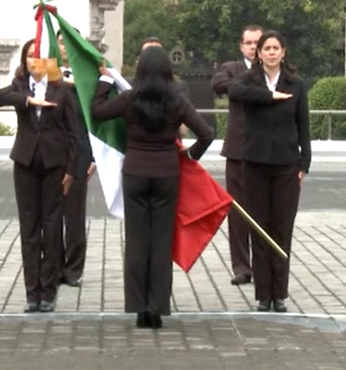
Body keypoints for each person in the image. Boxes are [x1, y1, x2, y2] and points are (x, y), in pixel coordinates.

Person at [91, 46, 214, 329]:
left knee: (136, 242)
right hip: (167, 175)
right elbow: (206, 133)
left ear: (141, 69)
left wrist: (106, 80)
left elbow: (97, 112)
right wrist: (190, 154)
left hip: (135, 173)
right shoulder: (177, 100)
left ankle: (138, 309)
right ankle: (157, 309)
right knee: (160, 243)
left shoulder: (129, 99)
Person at [0, 38, 79, 314]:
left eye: (39, 55)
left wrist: (71, 170)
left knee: (51, 229)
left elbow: (75, 135)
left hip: (54, 164)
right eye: (29, 56)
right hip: (26, 163)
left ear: (49, 60)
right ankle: (32, 292)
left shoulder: (62, 89)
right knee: (29, 228)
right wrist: (26, 99)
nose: (34, 60)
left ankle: (48, 292)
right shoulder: (19, 87)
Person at [227, 30, 311, 313]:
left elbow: (304, 127)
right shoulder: (248, 81)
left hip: (287, 165)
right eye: (266, 48)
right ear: (258, 53)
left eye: (276, 48)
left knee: (281, 229)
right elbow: (234, 91)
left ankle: (280, 293)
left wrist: (304, 164)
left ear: (283, 52)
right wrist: (269, 96)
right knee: (260, 228)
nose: (271, 52)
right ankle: (264, 294)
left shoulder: (296, 84)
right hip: (255, 164)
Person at [210, 24, 263, 286]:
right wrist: (249, 79)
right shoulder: (232, 69)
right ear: (241, 46)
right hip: (238, 149)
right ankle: (242, 267)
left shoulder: (274, 69)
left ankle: (264, 264)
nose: (254, 47)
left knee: (263, 209)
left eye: (258, 43)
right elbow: (217, 84)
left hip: (265, 150)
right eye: (249, 43)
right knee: (239, 210)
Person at [57, 32, 95, 288]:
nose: (65, 47)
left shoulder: (88, 78)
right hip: (51, 154)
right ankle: (53, 266)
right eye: (61, 41)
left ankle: (73, 269)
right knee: (50, 215)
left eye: (70, 43)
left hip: (80, 155)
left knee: (74, 216)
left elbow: (96, 120)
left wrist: (94, 157)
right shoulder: (45, 73)